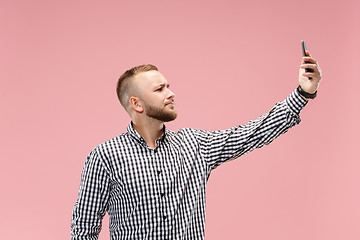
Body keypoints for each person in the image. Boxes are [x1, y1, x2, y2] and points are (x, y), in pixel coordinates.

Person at [71, 52, 322, 239]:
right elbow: (84, 229)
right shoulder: (105, 157)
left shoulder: (195, 145)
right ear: (137, 104)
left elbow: (251, 134)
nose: (171, 93)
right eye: (160, 89)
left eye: (168, 86)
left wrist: (302, 94)